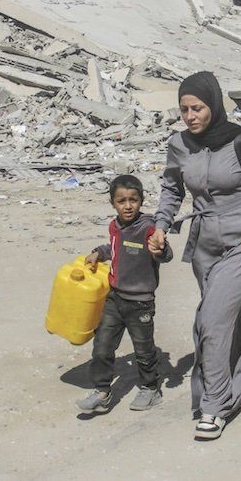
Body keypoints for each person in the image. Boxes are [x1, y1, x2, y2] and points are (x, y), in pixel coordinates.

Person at [148, 71, 241, 441]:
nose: (190, 116)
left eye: (198, 108)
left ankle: (213, 406)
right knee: (231, 319)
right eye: (184, 109)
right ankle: (235, 390)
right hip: (203, 243)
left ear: (214, 105)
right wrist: (161, 224)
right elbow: (170, 187)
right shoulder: (179, 144)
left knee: (211, 321)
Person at [76, 174, 173, 414]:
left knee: (143, 350)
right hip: (114, 298)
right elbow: (115, 248)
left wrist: (160, 249)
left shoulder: (148, 228)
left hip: (140, 303)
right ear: (113, 203)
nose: (128, 206)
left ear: (141, 200)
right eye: (121, 201)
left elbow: (165, 254)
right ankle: (102, 391)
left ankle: (150, 389)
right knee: (102, 346)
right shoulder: (114, 226)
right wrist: (99, 252)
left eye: (133, 200)